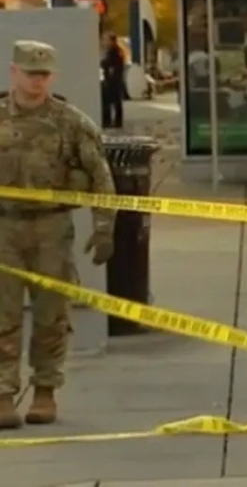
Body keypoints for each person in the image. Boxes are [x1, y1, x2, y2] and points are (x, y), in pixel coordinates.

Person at [0, 40, 117, 428]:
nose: (37, 81)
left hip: (51, 228)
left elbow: (101, 177)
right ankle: (3, 392)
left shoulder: (71, 122)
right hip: (4, 227)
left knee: (51, 313)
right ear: (14, 72)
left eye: (44, 75)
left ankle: (45, 390)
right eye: (30, 74)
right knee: (2, 313)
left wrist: (104, 228)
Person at [100, 32, 125, 129]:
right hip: (114, 80)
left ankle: (110, 121)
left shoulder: (114, 52)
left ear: (112, 41)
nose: (104, 42)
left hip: (113, 80)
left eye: (106, 40)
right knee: (115, 101)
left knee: (111, 101)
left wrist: (104, 65)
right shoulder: (115, 51)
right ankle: (115, 121)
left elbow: (112, 66)